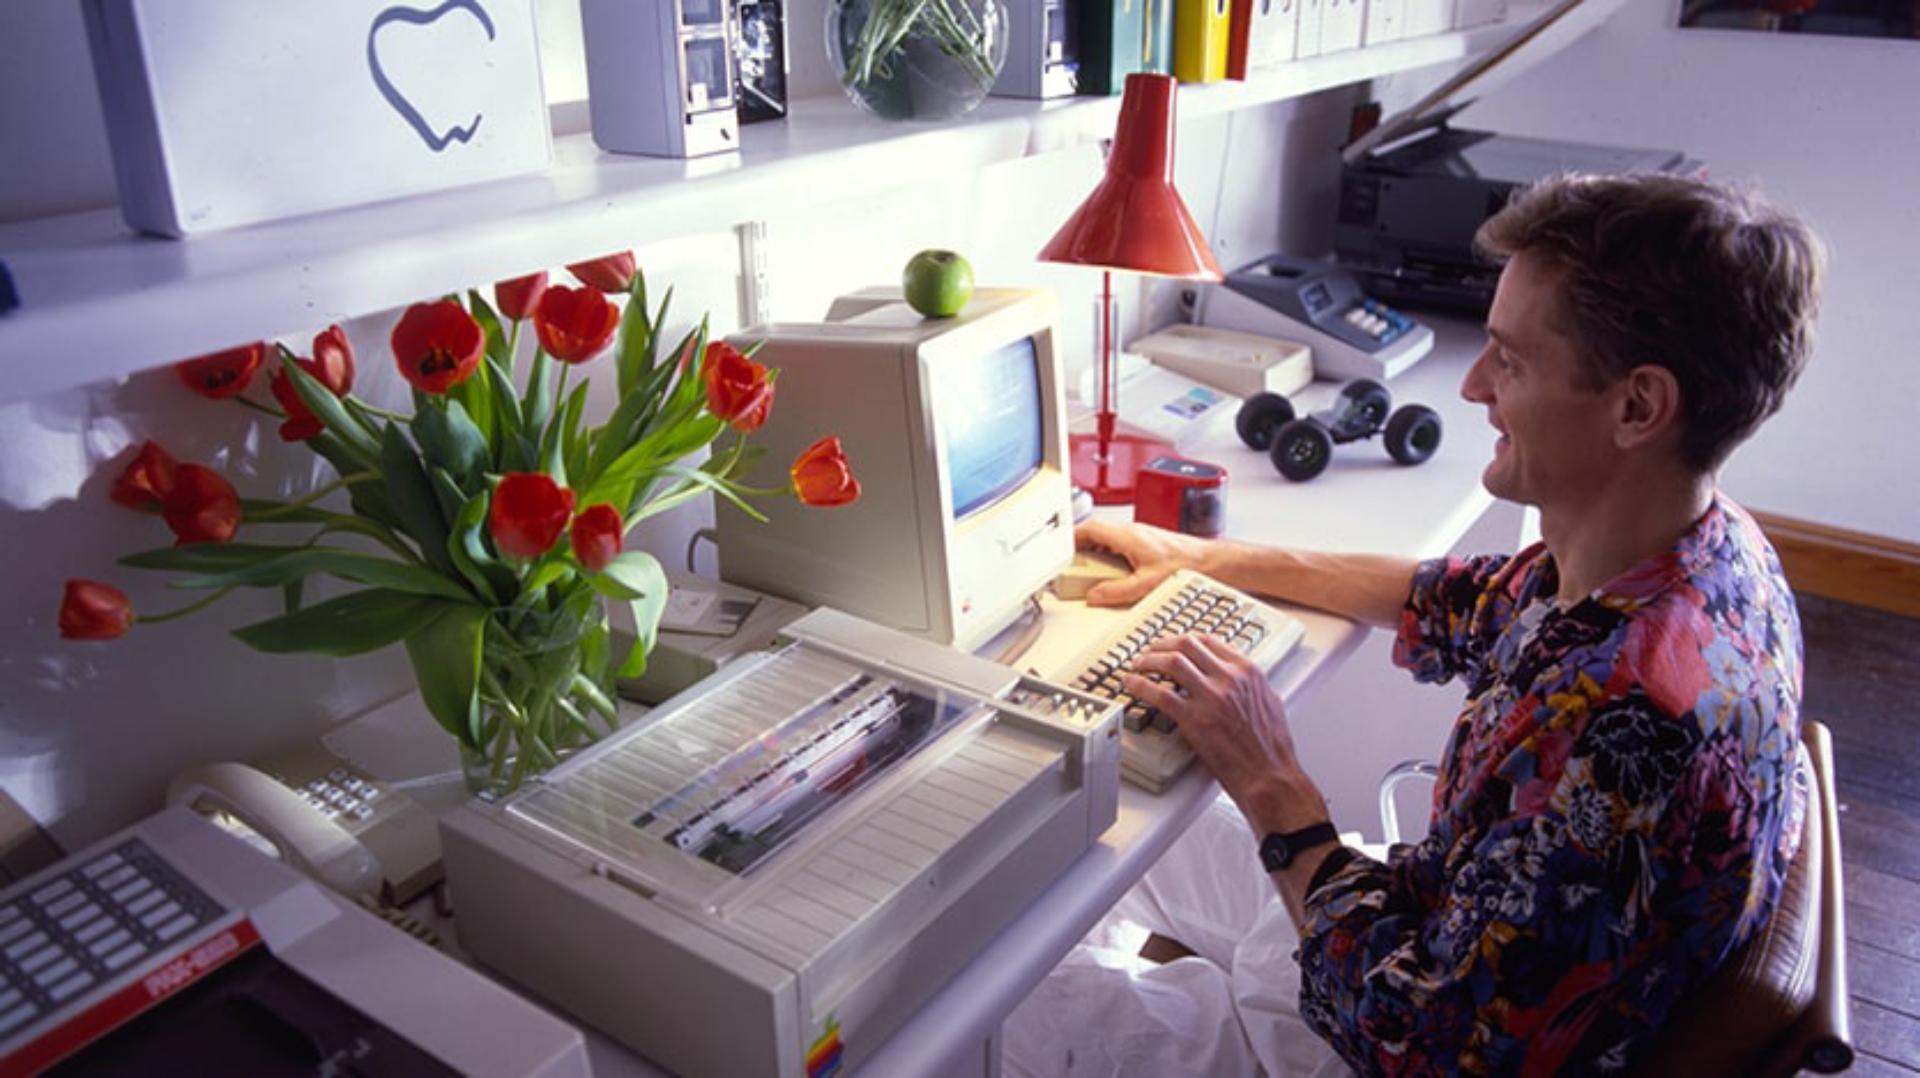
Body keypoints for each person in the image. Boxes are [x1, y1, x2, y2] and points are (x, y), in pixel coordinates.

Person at [1002, 172, 1825, 1076]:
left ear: (1639, 407)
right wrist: (1204, 560)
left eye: (1509, 360)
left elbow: (1421, 1046)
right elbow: (1466, 601)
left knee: (991, 1010)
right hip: (1438, 929)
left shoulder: (1625, 721)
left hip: (1391, 1033)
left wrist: (1275, 782)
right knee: (1103, 806)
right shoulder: (1703, 552)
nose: (1473, 383)